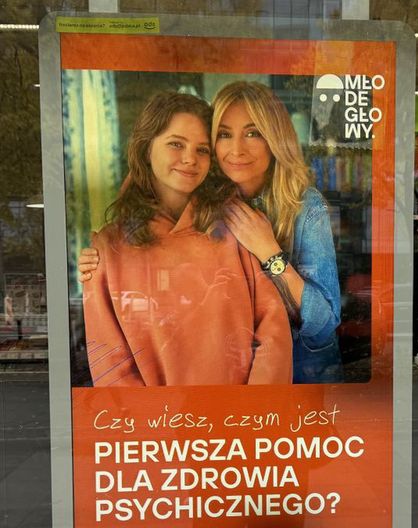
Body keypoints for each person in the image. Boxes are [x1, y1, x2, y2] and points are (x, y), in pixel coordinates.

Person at [80, 82, 342, 384]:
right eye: (224, 135)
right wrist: (97, 258)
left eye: (253, 133)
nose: (237, 149)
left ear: (274, 139)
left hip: (308, 374)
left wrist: (270, 254)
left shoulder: (303, 207)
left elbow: (321, 323)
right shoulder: (213, 206)